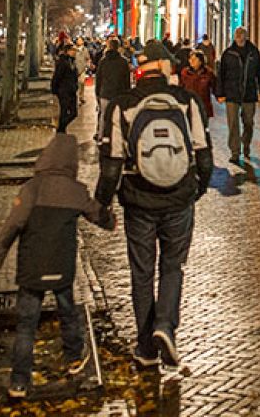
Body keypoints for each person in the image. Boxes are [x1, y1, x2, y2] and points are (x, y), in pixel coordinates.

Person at [95, 40, 212, 369]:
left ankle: (146, 347)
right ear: (163, 68)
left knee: (142, 272)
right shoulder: (186, 102)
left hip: (138, 199)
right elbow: (204, 155)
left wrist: (101, 205)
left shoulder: (122, 105)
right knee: (173, 267)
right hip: (178, 198)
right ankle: (165, 327)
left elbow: (111, 164)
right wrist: (195, 189)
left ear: (139, 70)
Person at [0, 133, 113, 399]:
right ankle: (74, 358)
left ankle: (19, 380)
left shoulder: (31, 189)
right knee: (68, 313)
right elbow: (97, 213)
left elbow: (13, 225)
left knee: (26, 324)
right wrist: (110, 219)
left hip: (31, 268)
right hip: (62, 268)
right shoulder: (75, 191)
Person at [217, 27, 260, 166]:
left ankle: (246, 144)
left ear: (246, 37)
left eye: (242, 35)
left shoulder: (253, 52)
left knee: (249, 122)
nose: (240, 38)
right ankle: (234, 151)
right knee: (233, 123)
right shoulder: (228, 53)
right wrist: (220, 93)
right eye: (238, 35)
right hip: (231, 93)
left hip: (249, 93)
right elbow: (221, 74)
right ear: (234, 37)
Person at [93, 37, 132, 135]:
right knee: (117, 116)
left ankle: (101, 135)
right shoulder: (123, 62)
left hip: (105, 93)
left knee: (103, 115)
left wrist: (97, 93)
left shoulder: (103, 61)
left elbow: (98, 78)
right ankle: (116, 136)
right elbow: (127, 80)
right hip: (119, 93)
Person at [51, 45, 81, 134]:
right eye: (73, 50)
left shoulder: (72, 62)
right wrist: (54, 89)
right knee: (64, 110)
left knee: (73, 113)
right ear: (67, 51)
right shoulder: (62, 62)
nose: (75, 52)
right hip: (64, 90)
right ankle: (61, 129)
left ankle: (61, 127)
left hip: (72, 90)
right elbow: (57, 76)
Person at [179, 50, 217, 120]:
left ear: (200, 61)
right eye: (190, 59)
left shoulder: (208, 73)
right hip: (189, 105)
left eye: (194, 59)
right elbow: (180, 87)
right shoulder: (185, 72)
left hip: (203, 106)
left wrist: (220, 95)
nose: (191, 61)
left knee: (203, 128)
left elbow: (215, 87)